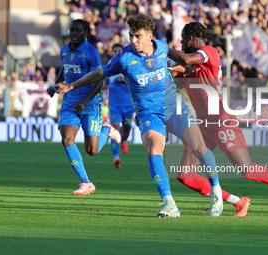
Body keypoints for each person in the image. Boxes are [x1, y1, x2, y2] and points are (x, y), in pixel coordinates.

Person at [55, 13, 224, 218]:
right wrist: (72, 84)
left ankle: (216, 192)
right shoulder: (124, 58)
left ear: (150, 36)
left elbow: (180, 64)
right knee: (154, 149)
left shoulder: (161, 47)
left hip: (174, 107)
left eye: (138, 36)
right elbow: (100, 73)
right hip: (148, 113)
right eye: (131, 36)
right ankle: (169, 204)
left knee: (199, 148)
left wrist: (181, 71)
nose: (134, 40)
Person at [167, 22, 268, 217]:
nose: (182, 42)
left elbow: (184, 58)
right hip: (203, 125)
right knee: (185, 175)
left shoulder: (208, 52)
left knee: (248, 170)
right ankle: (238, 201)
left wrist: (159, 48)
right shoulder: (188, 66)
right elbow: (173, 75)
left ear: (192, 38)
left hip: (221, 120)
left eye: (184, 38)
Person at [47, 19, 121, 196]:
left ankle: (106, 129)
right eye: (71, 30)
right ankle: (85, 182)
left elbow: (99, 79)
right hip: (69, 102)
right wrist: (54, 86)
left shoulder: (91, 52)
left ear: (85, 33)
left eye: (78, 31)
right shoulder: (64, 50)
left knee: (92, 151)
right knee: (66, 139)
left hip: (90, 104)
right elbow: (64, 71)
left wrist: (85, 102)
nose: (73, 34)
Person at [75, 43, 134, 169]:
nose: (117, 52)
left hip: (129, 106)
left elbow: (136, 81)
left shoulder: (129, 66)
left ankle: (123, 140)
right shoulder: (109, 69)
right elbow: (101, 82)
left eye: (119, 50)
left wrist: (126, 79)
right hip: (115, 105)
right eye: (115, 50)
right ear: (112, 53)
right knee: (116, 128)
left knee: (126, 131)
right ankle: (116, 157)